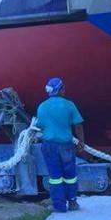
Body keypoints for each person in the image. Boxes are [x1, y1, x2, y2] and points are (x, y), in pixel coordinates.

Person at [36, 77, 85, 212]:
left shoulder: (42, 106)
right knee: (70, 175)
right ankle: (73, 202)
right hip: (66, 145)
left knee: (55, 177)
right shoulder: (69, 105)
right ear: (61, 89)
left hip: (50, 146)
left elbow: (40, 126)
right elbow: (78, 126)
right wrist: (81, 142)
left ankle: (59, 205)